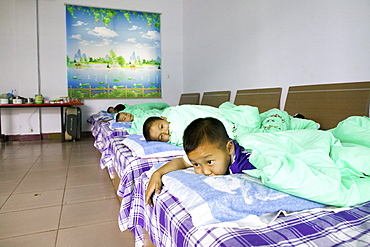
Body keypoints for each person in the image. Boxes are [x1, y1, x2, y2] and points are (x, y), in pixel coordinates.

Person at [145, 117, 256, 206]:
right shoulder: (206, 153)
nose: (205, 171)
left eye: (209, 162)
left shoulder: (245, 164)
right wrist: (157, 174)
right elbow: (182, 162)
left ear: (229, 149)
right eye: (196, 165)